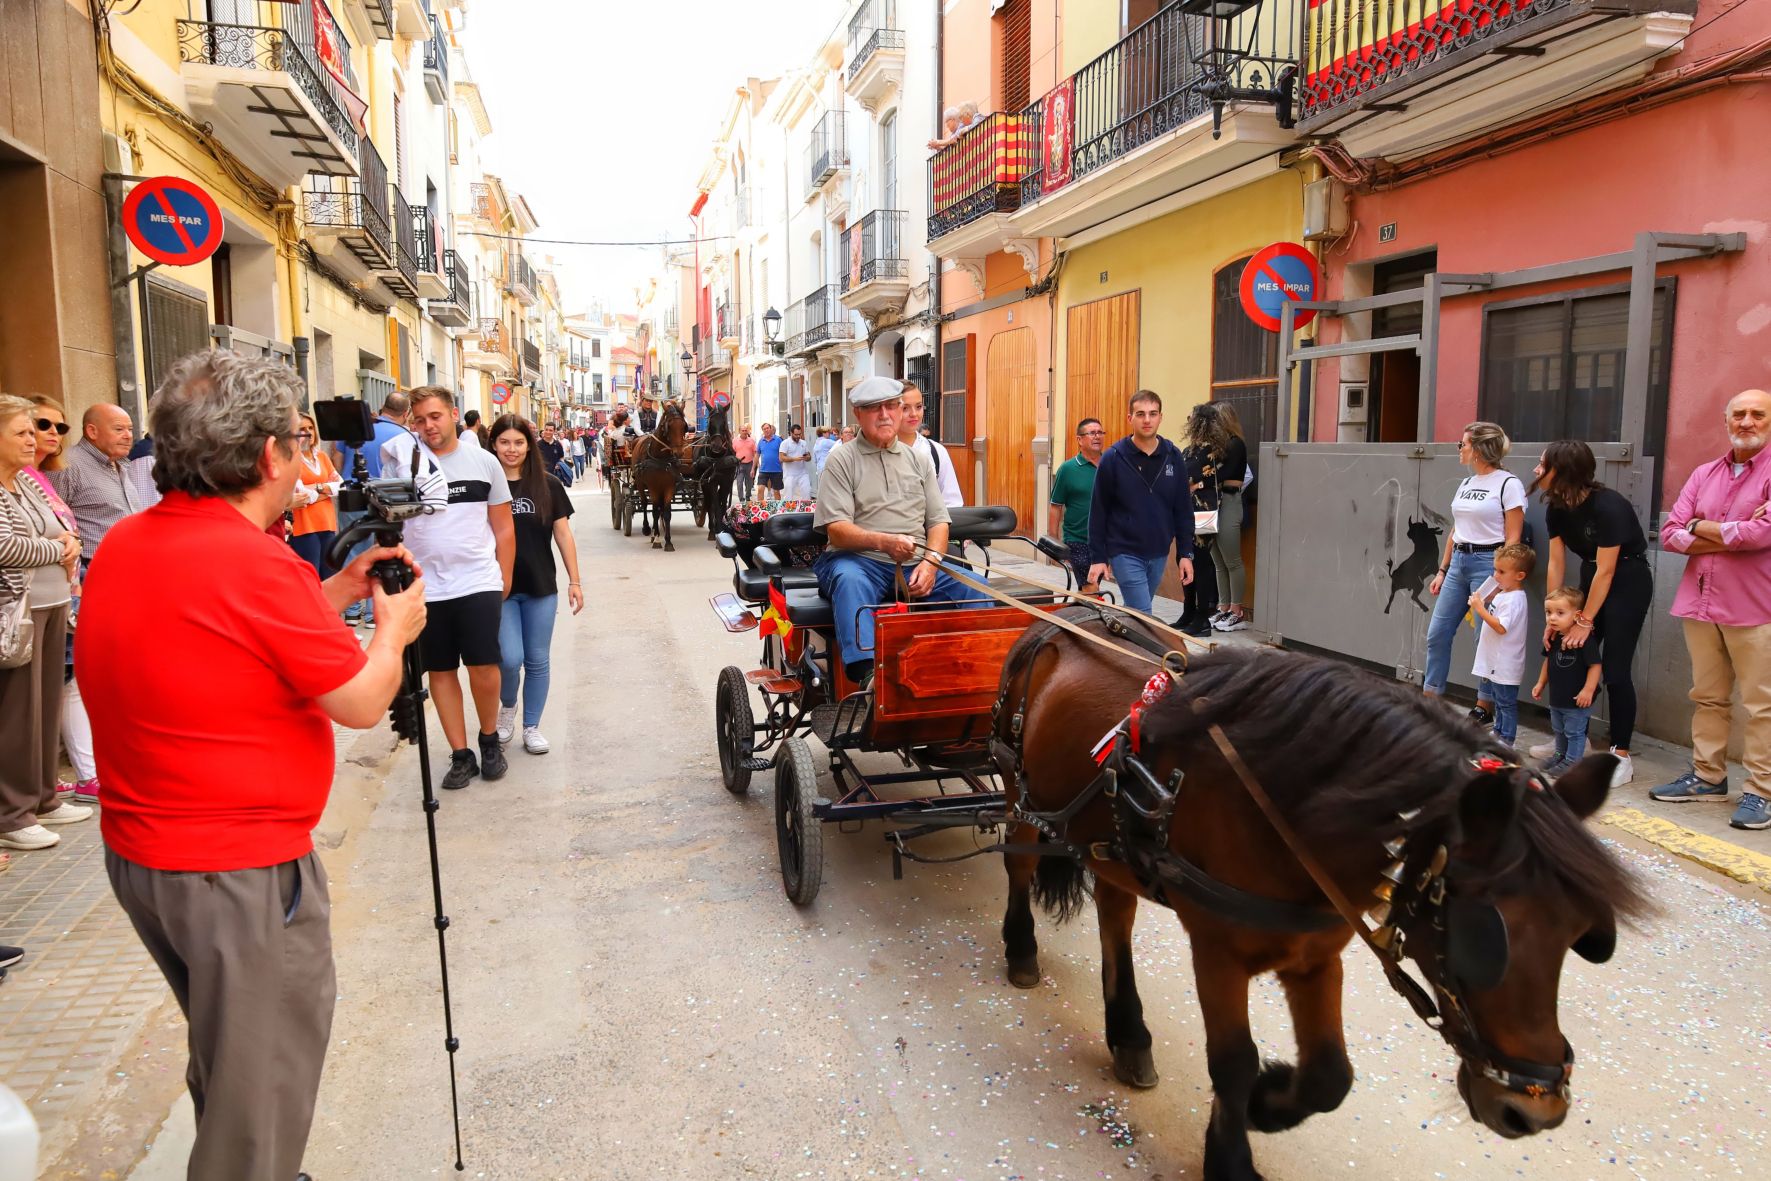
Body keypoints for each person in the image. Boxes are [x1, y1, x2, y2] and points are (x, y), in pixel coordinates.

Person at [75, 349, 428, 1181]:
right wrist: (393, 631)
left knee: (230, 1060)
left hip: (145, 854)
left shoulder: (131, 540)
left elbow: (216, 629)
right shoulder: (252, 559)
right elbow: (359, 701)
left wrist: (337, 588)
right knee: (262, 1074)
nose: (307, 456)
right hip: (236, 868)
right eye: (299, 439)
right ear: (269, 456)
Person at [1650, 388, 1771, 830]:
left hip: (1757, 608)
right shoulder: (1703, 473)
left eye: (1758, 414)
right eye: (1739, 414)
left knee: (1763, 706)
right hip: (1701, 604)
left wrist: (1700, 528)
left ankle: (1761, 792)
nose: (1747, 421)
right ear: (1726, 421)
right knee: (1708, 697)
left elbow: (1763, 533)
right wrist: (1727, 529)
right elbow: (1670, 533)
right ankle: (1707, 776)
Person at [384, 387, 516, 792]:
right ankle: (461, 755)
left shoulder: (483, 461)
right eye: (419, 420)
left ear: (453, 414)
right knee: (440, 669)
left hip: (477, 579)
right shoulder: (401, 464)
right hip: (426, 585)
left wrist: (504, 577)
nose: (428, 426)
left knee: (484, 665)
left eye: (435, 417)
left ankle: (489, 740)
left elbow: (504, 525)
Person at [813, 376, 980, 685]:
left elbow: (939, 521)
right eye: (874, 408)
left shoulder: (920, 459)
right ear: (857, 414)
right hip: (857, 559)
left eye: (892, 406)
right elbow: (836, 531)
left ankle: (972, 666)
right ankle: (866, 677)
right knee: (849, 581)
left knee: (977, 587)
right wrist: (884, 542)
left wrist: (931, 564)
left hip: (917, 562)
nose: (885, 414)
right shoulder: (841, 460)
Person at [1531, 440, 1652, 788]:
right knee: (1568, 652)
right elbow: (1556, 561)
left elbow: (1608, 570)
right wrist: (1555, 613)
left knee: (1614, 669)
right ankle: (1573, 739)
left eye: (1543, 465)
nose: (1537, 471)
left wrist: (1584, 621)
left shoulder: (1609, 505)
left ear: (1564, 470)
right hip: (1591, 575)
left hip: (1626, 580)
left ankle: (1620, 754)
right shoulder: (1555, 507)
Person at [0, 395, 89, 853]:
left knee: (45, 704)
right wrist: (59, 548)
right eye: (21, 432)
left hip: (54, 605)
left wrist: (66, 541)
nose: (32, 440)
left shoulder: (27, 484)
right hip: (17, 613)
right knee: (18, 712)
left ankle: (43, 797)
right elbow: (7, 548)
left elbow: (63, 526)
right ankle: (13, 812)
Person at [489, 415, 583, 755]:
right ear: (494, 445)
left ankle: (531, 726)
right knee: (510, 659)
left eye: (518, 443)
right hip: (499, 588)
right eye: (504, 442)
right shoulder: (485, 486)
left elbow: (563, 534)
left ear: (529, 446)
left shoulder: (548, 485)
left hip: (541, 586)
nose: (511, 450)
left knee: (538, 659)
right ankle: (508, 707)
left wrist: (575, 580)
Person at [1423, 422, 1526, 712]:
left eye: (1463, 444)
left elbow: (1514, 537)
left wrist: (1500, 578)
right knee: (1438, 633)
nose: (1460, 448)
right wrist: (1443, 570)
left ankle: (1485, 705)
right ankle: (1430, 699)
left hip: (1489, 562)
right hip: (1459, 561)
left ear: (1479, 449)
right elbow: (1457, 529)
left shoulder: (1508, 484)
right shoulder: (1467, 483)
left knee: (1486, 637)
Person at [26, 398, 94, 805]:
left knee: (66, 684)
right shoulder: (16, 480)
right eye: (42, 424)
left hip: (65, 595)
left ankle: (50, 783)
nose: (53, 432)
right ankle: (35, 791)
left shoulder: (45, 477)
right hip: (29, 601)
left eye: (60, 427)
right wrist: (61, 546)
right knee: (40, 693)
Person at [1085, 390, 1195, 614]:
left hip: (1159, 552)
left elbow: (1183, 509)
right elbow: (1098, 511)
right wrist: (1099, 557)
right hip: (1124, 551)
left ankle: (1118, 646)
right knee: (1143, 614)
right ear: (1130, 418)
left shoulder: (1173, 456)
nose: (1147, 420)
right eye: (1141, 414)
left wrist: (1185, 554)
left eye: (1153, 414)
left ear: (1160, 417)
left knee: (1134, 616)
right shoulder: (1113, 458)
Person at [338, 390, 415, 628]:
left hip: (351, 496)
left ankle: (351, 611)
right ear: (405, 414)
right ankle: (373, 613)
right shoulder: (403, 435)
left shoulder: (357, 430)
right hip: (386, 500)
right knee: (382, 553)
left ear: (383, 408)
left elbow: (337, 463)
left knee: (351, 551)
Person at [46, 401, 145, 564]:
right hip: (94, 566)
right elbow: (52, 520)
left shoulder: (122, 463)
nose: (128, 436)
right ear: (92, 431)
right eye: (119, 429)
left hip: (131, 563)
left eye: (130, 429)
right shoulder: (68, 464)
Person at [1531, 586, 1603, 778]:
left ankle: (1573, 763)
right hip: (1557, 698)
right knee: (1559, 730)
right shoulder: (1554, 637)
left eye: (1560, 613)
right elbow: (1548, 661)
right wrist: (1540, 683)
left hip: (1576, 699)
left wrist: (1588, 690)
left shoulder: (1585, 641)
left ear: (1577, 615)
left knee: (1574, 732)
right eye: (1548, 612)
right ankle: (1560, 755)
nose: (1552, 618)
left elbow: (1595, 666)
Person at [1469, 543, 1535, 749]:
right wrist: (1486, 598)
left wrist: (1481, 609)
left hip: (1506, 663)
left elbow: (1500, 627)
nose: (1496, 575)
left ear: (1520, 575)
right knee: (1499, 700)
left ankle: (1507, 739)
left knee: (1506, 703)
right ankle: (1498, 734)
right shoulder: (1504, 594)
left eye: (1502, 571)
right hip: (1497, 662)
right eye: (1495, 570)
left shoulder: (1515, 599)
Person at [1177, 405, 1224, 637]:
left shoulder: (1214, 451)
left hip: (1205, 513)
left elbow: (1214, 479)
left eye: (1191, 418)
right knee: (1184, 559)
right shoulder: (1189, 450)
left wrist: (1196, 485)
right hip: (1185, 512)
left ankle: (1202, 618)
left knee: (1202, 564)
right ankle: (1188, 611)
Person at [1206, 402, 1253, 633]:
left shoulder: (1236, 444)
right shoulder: (1216, 446)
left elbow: (1221, 474)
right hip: (1216, 503)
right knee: (1218, 560)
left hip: (1229, 502)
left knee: (1232, 560)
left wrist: (1201, 476)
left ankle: (1236, 611)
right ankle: (1223, 606)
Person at [1049, 417, 1105, 593]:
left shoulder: (1111, 465)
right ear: (1079, 440)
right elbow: (1056, 506)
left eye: (1100, 433)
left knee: (1087, 591)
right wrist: (1053, 543)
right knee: (1091, 587)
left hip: (1106, 540)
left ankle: (1074, 617)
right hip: (1078, 540)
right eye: (1092, 433)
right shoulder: (1068, 469)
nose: (1097, 437)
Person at [288, 412, 343, 579]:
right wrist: (326, 489)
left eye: (311, 428)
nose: (308, 432)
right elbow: (302, 495)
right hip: (304, 525)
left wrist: (316, 488)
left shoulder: (322, 456)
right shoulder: (292, 459)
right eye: (303, 429)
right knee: (310, 577)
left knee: (329, 575)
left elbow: (340, 486)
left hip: (326, 522)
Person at [898, 383, 963, 507]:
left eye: (918, 406)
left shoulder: (936, 451)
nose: (914, 414)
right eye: (905, 408)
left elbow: (952, 503)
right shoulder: (879, 449)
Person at [779, 422, 813, 499]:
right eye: (796, 434)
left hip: (803, 473)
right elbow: (781, 458)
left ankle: (807, 509)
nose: (798, 436)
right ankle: (788, 510)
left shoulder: (803, 443)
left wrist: (807, 457)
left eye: (799, 434)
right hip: (789, 474)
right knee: (788, 496)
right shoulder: (785, 443)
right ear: (791, 433)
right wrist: (794, 459)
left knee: (807, 493)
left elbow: (809, 456)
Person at [755, 421, 784, 497]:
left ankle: (778, 508)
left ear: (771, 429)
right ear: (763, 431)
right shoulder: (761, 441)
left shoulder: (778, 440)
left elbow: (783, 453)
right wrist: (753, 468)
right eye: (764, 429)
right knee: (760, 489)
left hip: (776, 470)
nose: (766, 430)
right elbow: (757, 454)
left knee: (776, 491)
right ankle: (760, 507)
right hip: (763, 470)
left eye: (767, 428)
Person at [811, 425, 839, 497]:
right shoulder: (826, 441)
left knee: (822, 488)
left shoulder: (816, 443)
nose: (830, 434)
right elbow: (840, 445)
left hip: (819, 468)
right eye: (829, 432)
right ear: (824, 433)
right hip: (827, 467)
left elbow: (814, 459)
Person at [733, 424, 757, 503]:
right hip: (739, 465)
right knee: (739, 483)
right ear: (739, 431)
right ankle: (741, 499)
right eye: (742, 430)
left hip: (749, 464)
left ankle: (747, 497)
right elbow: (733, 453)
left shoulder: (751, 441)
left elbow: (755, 454)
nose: (744, 432)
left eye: (745, 430)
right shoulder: (735, 441)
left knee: (749, 483)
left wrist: (754, 466)